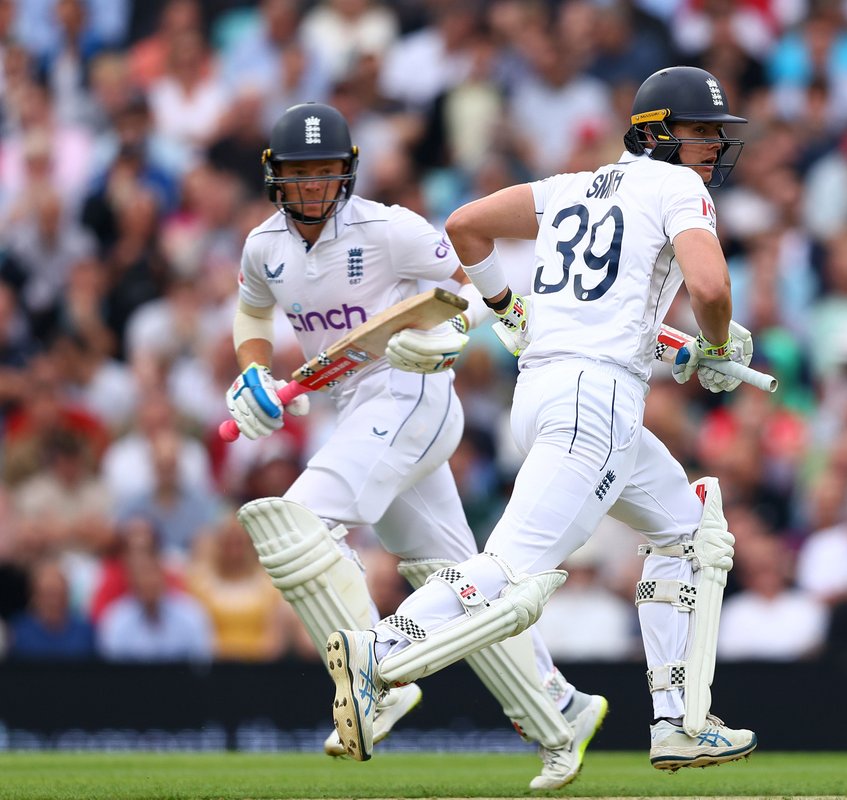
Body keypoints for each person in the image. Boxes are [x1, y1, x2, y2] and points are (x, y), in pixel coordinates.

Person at [326, 66, 759, 772]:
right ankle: (379, 648)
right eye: (699, 130)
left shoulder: (570, 188)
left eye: (717, 132)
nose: (713, 144)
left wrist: (506, 307)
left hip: (545, 392)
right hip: (598, 401)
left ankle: (678, 721)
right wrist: (714, 342)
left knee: (690, 532)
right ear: (657, 133)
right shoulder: (679, 187)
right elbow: (710, 286)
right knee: (512, 570)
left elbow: (465, 226)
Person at [221, 101, 605, 789]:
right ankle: (560, 709)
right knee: (452, 578)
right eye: (301, 173)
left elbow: (469, 286)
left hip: (412, 393)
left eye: (326, 172)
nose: (313, 186)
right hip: (355, 406)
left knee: (293, 523)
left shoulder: (389, 228)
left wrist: (444, 335)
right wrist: (253, 370)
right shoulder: (264, 247)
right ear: (275, 175)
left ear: (347, 173)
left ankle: (377, 682)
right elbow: (252, 311)